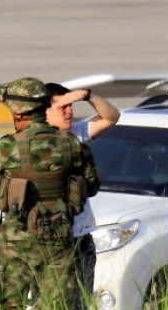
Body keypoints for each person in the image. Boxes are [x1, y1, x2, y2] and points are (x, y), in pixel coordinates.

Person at [0, 77, 99, 310]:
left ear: (18, 115)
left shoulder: (9, 147)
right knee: (57, 305)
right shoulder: (72, 144)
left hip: (17, 241)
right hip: (58, 240)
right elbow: (91, 186)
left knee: (10, 303)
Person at [44, 83, 119, 307]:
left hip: (82, 235)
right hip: (53, 238)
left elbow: (111, 117)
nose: (70, 111)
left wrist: (87, 95)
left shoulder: (76, 134)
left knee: (81, 301)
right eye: (63, 107)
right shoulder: (31, 144)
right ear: (44, 111)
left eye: (71, 106)